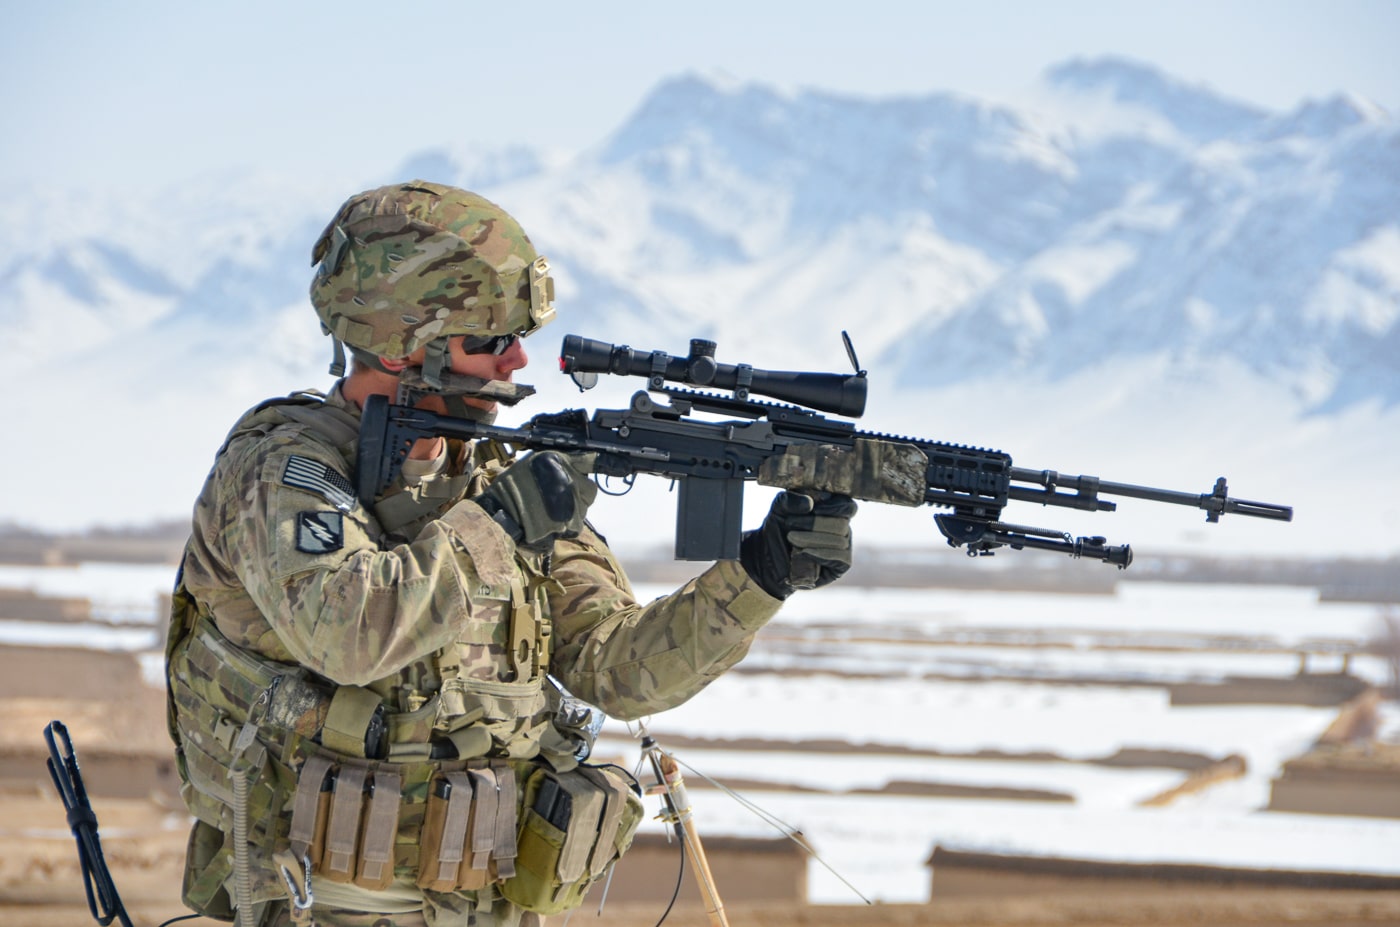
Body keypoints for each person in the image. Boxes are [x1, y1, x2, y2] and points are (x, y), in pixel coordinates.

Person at [164, 179, 858, 927]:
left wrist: (762, 574)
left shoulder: (496, 473)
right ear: (406, 344)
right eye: (490, 339)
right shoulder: (286, 471)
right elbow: (351, 631)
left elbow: (615, 667)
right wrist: (500, 522)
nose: (517, 357)